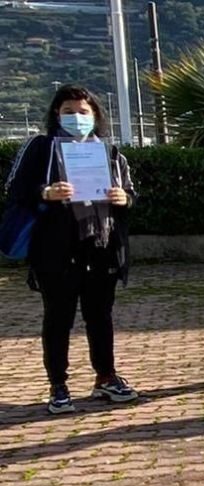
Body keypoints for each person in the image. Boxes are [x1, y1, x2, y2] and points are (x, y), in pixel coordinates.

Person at [4, 85, 139, 414]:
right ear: (56, 114)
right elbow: (15, 189)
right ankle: (58, 385)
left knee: (100, 316)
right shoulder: (41, 148)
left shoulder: (108, 152)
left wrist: (125, 199)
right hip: (56, 250)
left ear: (94, 116)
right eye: (69, 111)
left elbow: (130, 192)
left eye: (83, 112)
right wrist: (45, 192)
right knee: (58, 318)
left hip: (101, 246)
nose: (77, 118)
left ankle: (105, 377)